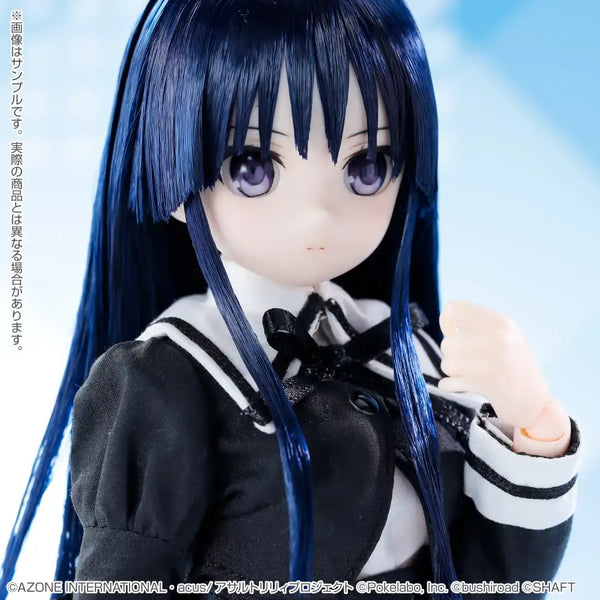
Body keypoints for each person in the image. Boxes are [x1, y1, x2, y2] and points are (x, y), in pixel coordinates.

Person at [0, 1, 581, 599]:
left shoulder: (394, 344)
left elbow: (496, 582)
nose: (317, 216)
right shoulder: (167, 381)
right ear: (170, 169)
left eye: (367, 166)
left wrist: (534, 428)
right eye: (252, 168)